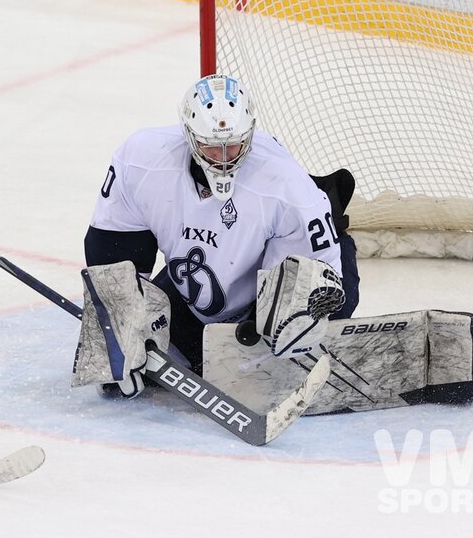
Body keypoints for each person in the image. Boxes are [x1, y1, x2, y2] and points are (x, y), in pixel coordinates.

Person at [78, 73, 359, 397]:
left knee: (292, 327)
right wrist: (117, 329)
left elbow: (315, 281)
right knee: (118, 374)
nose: (224, 159)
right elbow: (112, 249)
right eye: (212, 148)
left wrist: (260, 344)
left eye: (235, 146)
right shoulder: (141, 161)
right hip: (201, 288)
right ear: (189, 135)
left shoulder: (286, 186)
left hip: (289, 281)